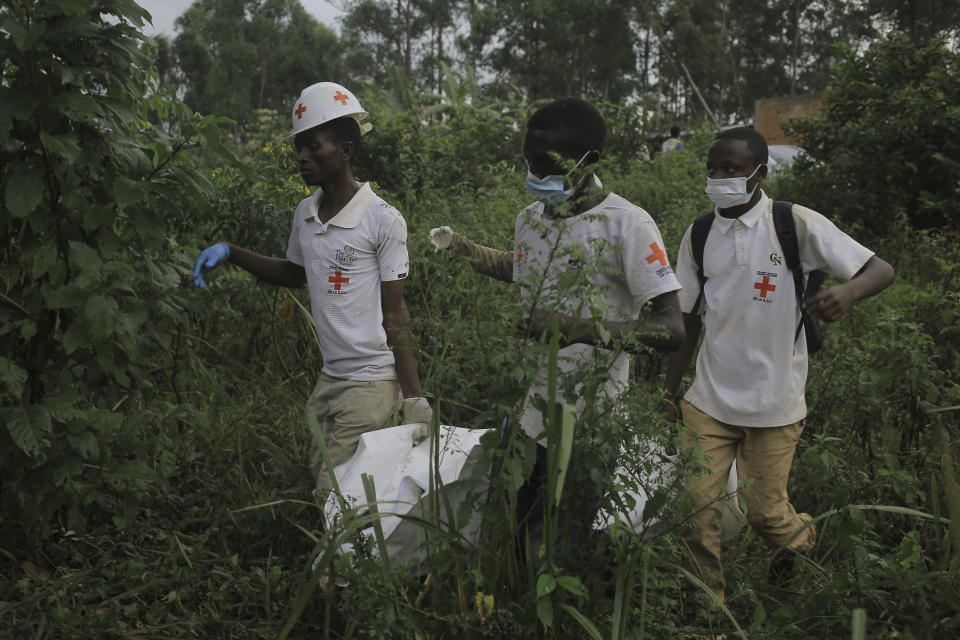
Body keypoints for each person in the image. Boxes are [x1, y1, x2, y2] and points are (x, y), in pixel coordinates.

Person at [431, 98, 684, 555]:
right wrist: (466, 250)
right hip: (525, 415)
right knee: (515, 528)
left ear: (590, 161)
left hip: (590, 423)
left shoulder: (627, 225)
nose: (536, 174)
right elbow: (525, 267)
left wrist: (577, 328)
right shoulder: (528, 220)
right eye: (529, 161)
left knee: (566, 545)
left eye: (549, 165)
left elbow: (672, 329)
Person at [662, 126, 895, 607]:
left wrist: (847, 293)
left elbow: (880, 269)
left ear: (760, 173)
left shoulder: (795, 224)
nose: (719, 178)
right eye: (712, 169)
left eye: (731, 169)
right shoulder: (700, 233)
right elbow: (685, 317)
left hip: (775, 401)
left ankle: (801, 542)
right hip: (709, 398)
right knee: (694, 508)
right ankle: (707, 611)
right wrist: (669, 390)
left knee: (765, 514)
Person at [193, 82, 432, 498]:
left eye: (313, 147)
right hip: (331, 378)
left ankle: (349, 562)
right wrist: (231, 251)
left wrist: (414, 398)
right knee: (330, 478)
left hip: (371, 382)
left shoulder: (382, 219)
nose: (302, 157)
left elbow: (396, 314)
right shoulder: (305, 213)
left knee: (335, 493)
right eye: (299, 147)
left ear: (345, 152)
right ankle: (365, 555)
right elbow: (294, 272)